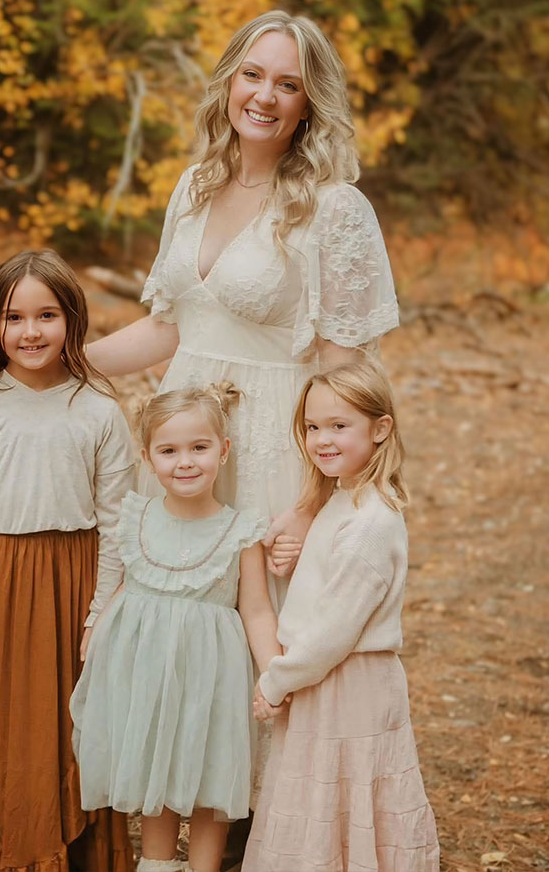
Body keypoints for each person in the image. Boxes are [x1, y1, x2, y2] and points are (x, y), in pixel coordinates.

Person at [85, 9, 399, 609]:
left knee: (262, 625)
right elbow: (168, 329)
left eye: (288, 84)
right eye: (252, 75)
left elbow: (346, 377)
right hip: (185, 442)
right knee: (175, 622)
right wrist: (63, 363)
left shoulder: (335, 208)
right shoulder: (194, 185)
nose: (265, 96)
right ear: (229, 81)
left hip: (276, 454)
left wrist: (311, 504)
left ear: (308, 104)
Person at [0, 250, 135, 872]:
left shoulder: (98, 410)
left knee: (66, 728)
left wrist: (102, 613)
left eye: (47, 315)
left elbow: (119, 524)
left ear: (73, 320)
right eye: (14, 317)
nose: (31, 331)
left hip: (72, 587)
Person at [69, 383, 284, 872]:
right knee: (155, 770)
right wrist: (97, 632)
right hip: (146, 673)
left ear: (223, 451)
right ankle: (158, 863)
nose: (185, 462)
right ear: (147, 458)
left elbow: (256, 610)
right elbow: (122, 587)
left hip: (212, 678)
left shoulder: (241, 530)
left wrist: (275, 672)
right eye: (168, 451)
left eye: (199, 447)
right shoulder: (136, 517)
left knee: (212, 776)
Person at [244, 360, 440, 872]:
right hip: (325, 678)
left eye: (338, 425)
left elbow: (333, 631)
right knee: (326, 798)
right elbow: (328, 592)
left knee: (345, 793)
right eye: (312, 427)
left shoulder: (370, 523)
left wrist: (276, 681)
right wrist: (297, 561)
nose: (321, 439)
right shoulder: (343, 500)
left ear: (380, 429)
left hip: (347, 682)